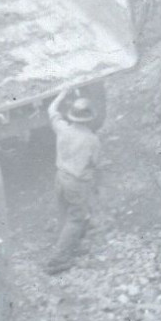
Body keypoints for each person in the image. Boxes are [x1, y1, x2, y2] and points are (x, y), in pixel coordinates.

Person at [45, 90, 102, 274]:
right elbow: (95, 164)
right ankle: (58, 259)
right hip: (77, 183)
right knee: (76, 218)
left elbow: (51, 109)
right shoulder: (92, 140)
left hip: (60, 177)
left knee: (64, 213)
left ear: (72, 116)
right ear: (90, 118)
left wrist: (61, 95)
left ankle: (68, 245)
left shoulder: (62, 128)